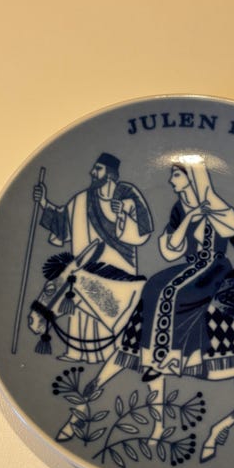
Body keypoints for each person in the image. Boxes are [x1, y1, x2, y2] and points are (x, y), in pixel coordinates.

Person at [116, 157, 234, 380]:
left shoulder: (218, 208)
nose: (170, 180)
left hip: (215, 268)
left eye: (176, 174)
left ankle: (176, 359)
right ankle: (153, 357)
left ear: (192, 178)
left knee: (177, 292)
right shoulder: (179, 209)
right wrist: (189, 219)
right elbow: (171, 249)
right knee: (153, 285)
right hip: (191, 266)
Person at [33, 152, 153, 362]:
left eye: (97, 169)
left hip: (118, 269)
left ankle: (118, 354)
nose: (91, 172)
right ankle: (80, 352)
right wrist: (43, 202)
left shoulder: (126, 193)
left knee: (113, 307)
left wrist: (124, 211)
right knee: (79, 299)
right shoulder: (81, 200)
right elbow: (63, 223)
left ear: (110, 174)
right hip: (83, 268)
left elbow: (144, 230)